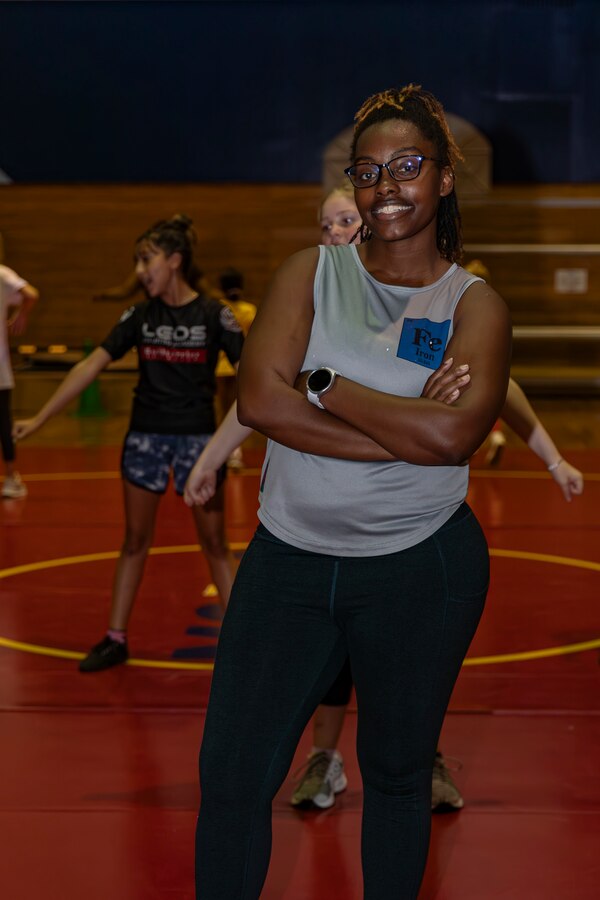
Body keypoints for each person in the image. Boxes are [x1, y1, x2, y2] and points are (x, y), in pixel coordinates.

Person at [193, 83, 514, 898]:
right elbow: (259, 402)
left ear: (445, 176)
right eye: (366, 172)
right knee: (232, 775)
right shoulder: (311, 272)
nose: (385, 187)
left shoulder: (473, 305)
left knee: (399, 774)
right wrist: (405, 429)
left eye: (407, 166)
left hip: (420, 569)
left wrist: (325, 385)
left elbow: (453, 439)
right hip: (289, 563)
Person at [186, 184, 584, 822]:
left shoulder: (434, 302)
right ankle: (324, 756)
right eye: (327, 224)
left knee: (402, 686)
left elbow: (492, 391)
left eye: (347, 217)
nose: (339, 231)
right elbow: (260, 398)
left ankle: (423, 758)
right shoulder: (312, 295)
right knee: (325, 675)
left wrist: (550, 455)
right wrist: (211, 458)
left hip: (403, 539)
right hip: (311, 536)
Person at [13, 215, 244, 672]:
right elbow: (90, 366)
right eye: (137, 261)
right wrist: (40, 417)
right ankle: (115, 638)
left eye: (145, 259)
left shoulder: (214, 315)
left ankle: (244, 642)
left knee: (215, 544)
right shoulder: (139, 316)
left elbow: (254, 376)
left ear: (174, 260)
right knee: (135, 539)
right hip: (145, 437)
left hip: (199, 442)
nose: (139, 271)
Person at [1, 264, 39, 499]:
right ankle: (10, 477)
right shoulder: (2, 274)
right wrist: (22, 314)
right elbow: (31, 294)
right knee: (3, 421)